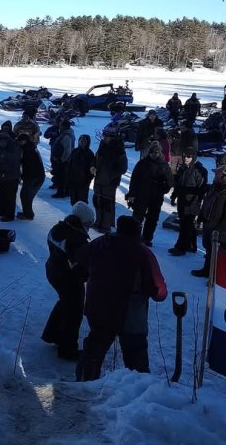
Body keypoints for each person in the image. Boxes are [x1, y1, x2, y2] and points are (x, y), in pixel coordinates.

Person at [76, 216, 167, 381]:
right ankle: (138, 389)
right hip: (130, 311)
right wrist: (157, 293)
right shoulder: (142, 253)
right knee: (135, 351)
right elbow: (159, 291)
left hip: (98, 305)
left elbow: (79, 264)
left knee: (95, 347)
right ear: (137, 232)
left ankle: (84, 382)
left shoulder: (100, 243)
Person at [42, 202, 95, 360]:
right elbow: (79, 265)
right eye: (89, 223)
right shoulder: (77, 239)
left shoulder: (59, 228)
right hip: (68, 278)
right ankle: (67, 349)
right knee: (74, 311)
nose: (89, 227)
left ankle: (53, 334)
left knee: (65, 302)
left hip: (53, 270)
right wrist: (87, 276)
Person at [192, 164, 226, 277]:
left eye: (217, 174)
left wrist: (220, 230)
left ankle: (218, 276)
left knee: (219, 253)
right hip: (209, 225)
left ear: (225, 176)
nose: (215, 175)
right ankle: (207, 270)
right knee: (209, 250)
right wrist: (201, 218)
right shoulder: (215, 187)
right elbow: (207, 202)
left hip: (221, 229)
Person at [125, 141, 173, 247]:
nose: (154, 154)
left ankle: (147, 237)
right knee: (137, 217)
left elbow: (170, 181)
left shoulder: (164, 165)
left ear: (159, 153)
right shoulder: (142, 163)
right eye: (152, 152)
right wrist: (132, 193)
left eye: (156, 152)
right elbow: (134, 179)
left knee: (152, 218)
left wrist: (163, 188)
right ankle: (134, 236)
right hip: (141, 194)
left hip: (156, 196)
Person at [168, 148, 208, 256]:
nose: (186, 158)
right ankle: (191, 245)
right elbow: (178, 184)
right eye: (184, 156)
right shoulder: (183, 168)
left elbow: (201, 189)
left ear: (193, 157)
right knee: (187, 224)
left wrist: (196, 202)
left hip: (191, 201)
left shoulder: (200, 170)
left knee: (186, 225)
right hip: (182, 200)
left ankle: (181, 247)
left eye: (189, 156)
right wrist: (174, 195)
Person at [91, 127, 128, 234]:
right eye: (104, 136)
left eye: (106, 136)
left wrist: (111, 175)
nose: (104, 138)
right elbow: (96, 157)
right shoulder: (102, 145)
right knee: (97, 201)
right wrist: (93, 165)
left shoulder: (119, 149)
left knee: (107, 203)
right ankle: (98, 221)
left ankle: (106, 224)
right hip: (99, 178)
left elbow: (123, 168)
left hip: (110, 182)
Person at [0, 122, 21, 221]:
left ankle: (9, 215)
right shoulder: (1, 148)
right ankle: (1, 210)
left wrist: (3, 170)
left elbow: (13, 164)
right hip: (2, 176)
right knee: (2, 194)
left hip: (11, 177)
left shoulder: (12, 149)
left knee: (10, 196)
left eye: (1, 141)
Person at [17, 132, 44, 220]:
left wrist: (25, 177)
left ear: (26, 141)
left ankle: (28, 214)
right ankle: (27, 213)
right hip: (35, 176)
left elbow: (30, 166)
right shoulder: (30, 147)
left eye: (22, 141)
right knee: (26, 196)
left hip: (33, 177)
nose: (20, 143)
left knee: (26, 195)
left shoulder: (29, 150)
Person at [65, 134, 95, 205]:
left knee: (82, 201)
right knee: (73, 200)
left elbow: (92, 170)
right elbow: (69, 164)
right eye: (80, 141)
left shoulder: (90, 154)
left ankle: (82, 214)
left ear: (87, 143)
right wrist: (67, 177)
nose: (81, 142)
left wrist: (87, 179)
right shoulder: (75, 151)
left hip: (83, 183)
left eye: (84, 141)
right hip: (73, 180)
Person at [49, 119, 75, 198]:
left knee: (62, 177)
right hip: (61, 160)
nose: (59, 127)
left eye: (61, 125)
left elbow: (67, 151)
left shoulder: (66, 136)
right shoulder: (64, 134)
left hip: (63, 161)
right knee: (62, 176)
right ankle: (65, 191)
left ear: (64, 126)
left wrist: (61, 160)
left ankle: (61, 192)